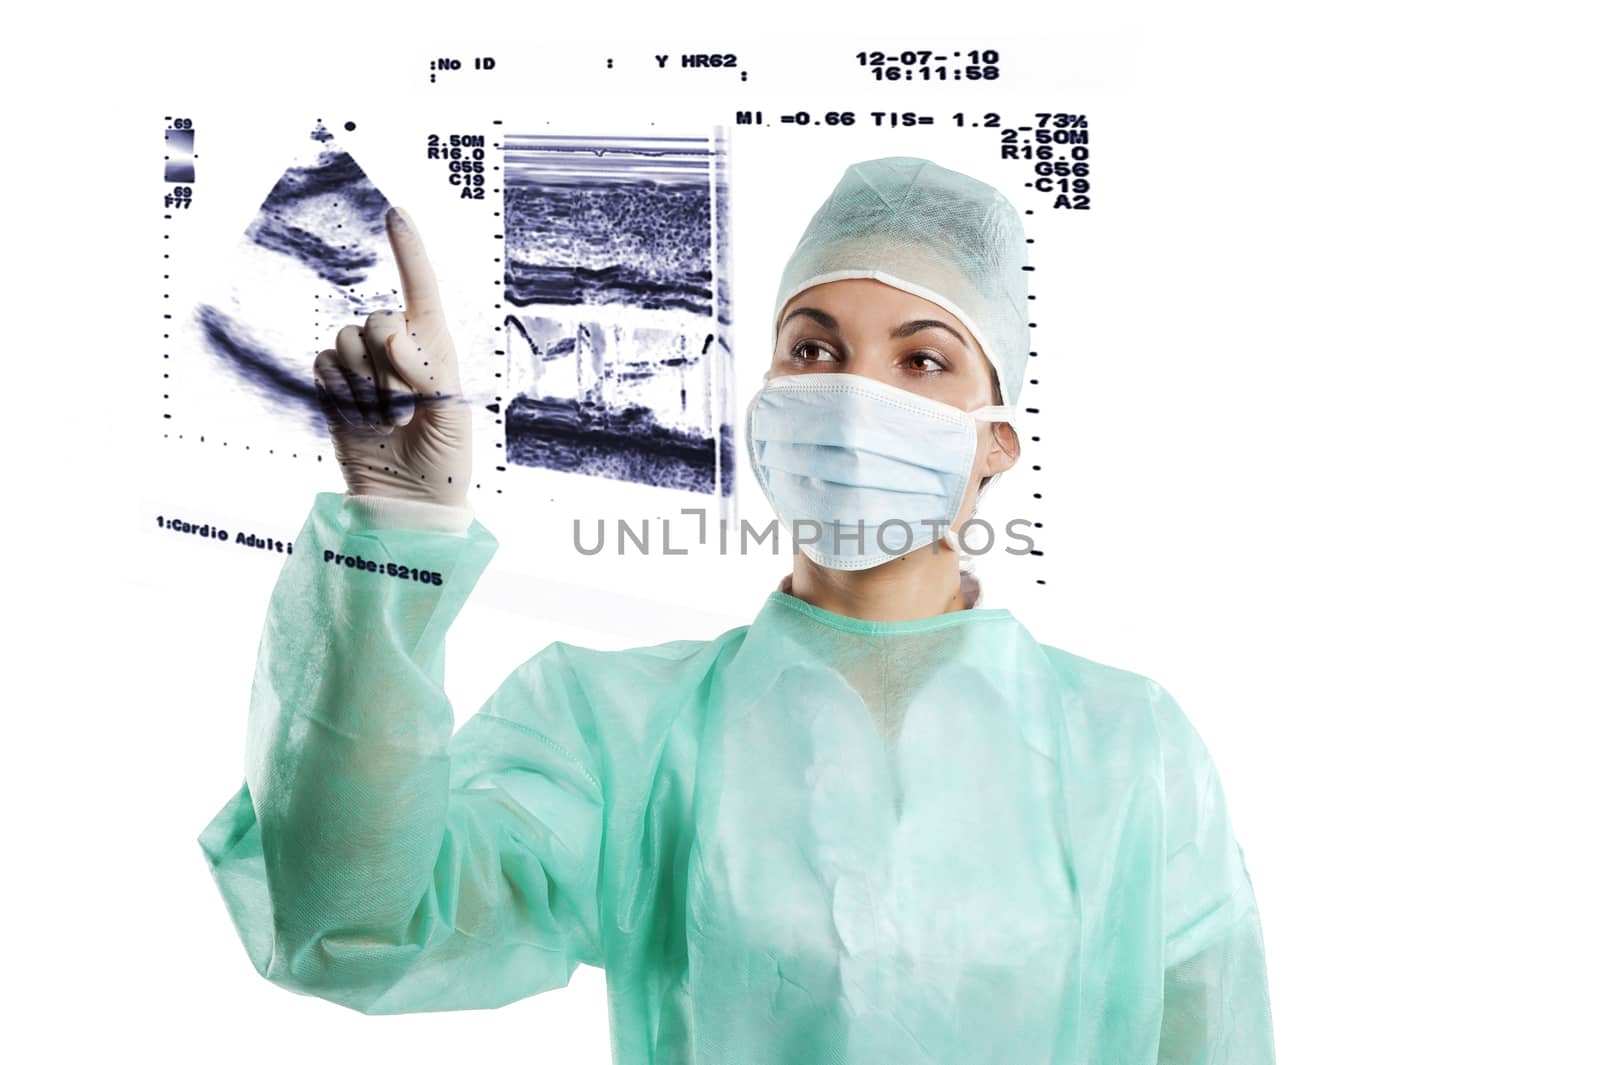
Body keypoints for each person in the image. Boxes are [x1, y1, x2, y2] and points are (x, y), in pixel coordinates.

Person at [197, 156, 1276, 1063]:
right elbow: (353, 924)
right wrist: (399, 535)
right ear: (762, 395)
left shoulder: (1129, 753)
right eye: (814, 348)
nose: (857, 395)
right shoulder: (620, 729)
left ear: (994, 441)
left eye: (923, 360)